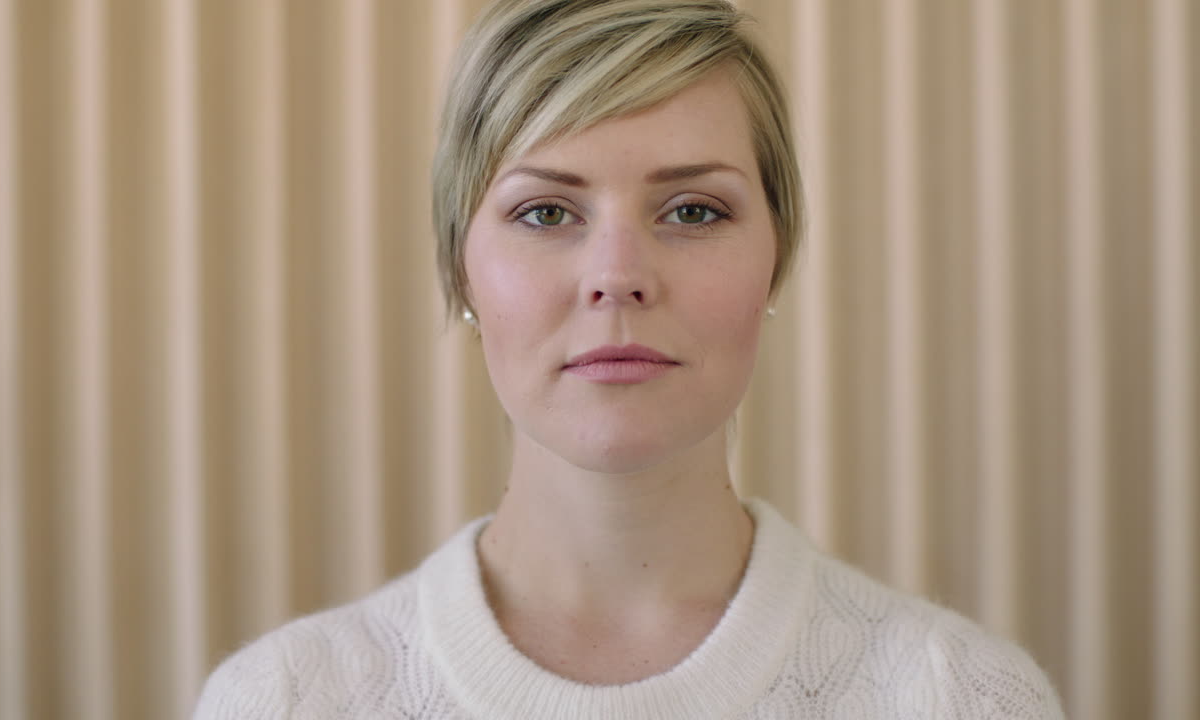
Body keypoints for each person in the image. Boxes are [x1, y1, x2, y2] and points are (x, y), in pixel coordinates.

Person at [194, 0, 1064, 717]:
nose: (617, 277)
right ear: (462, 265)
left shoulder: (960, 699)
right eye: (546, 213)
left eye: (692, 211)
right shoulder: (285, 700)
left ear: (778, 255)